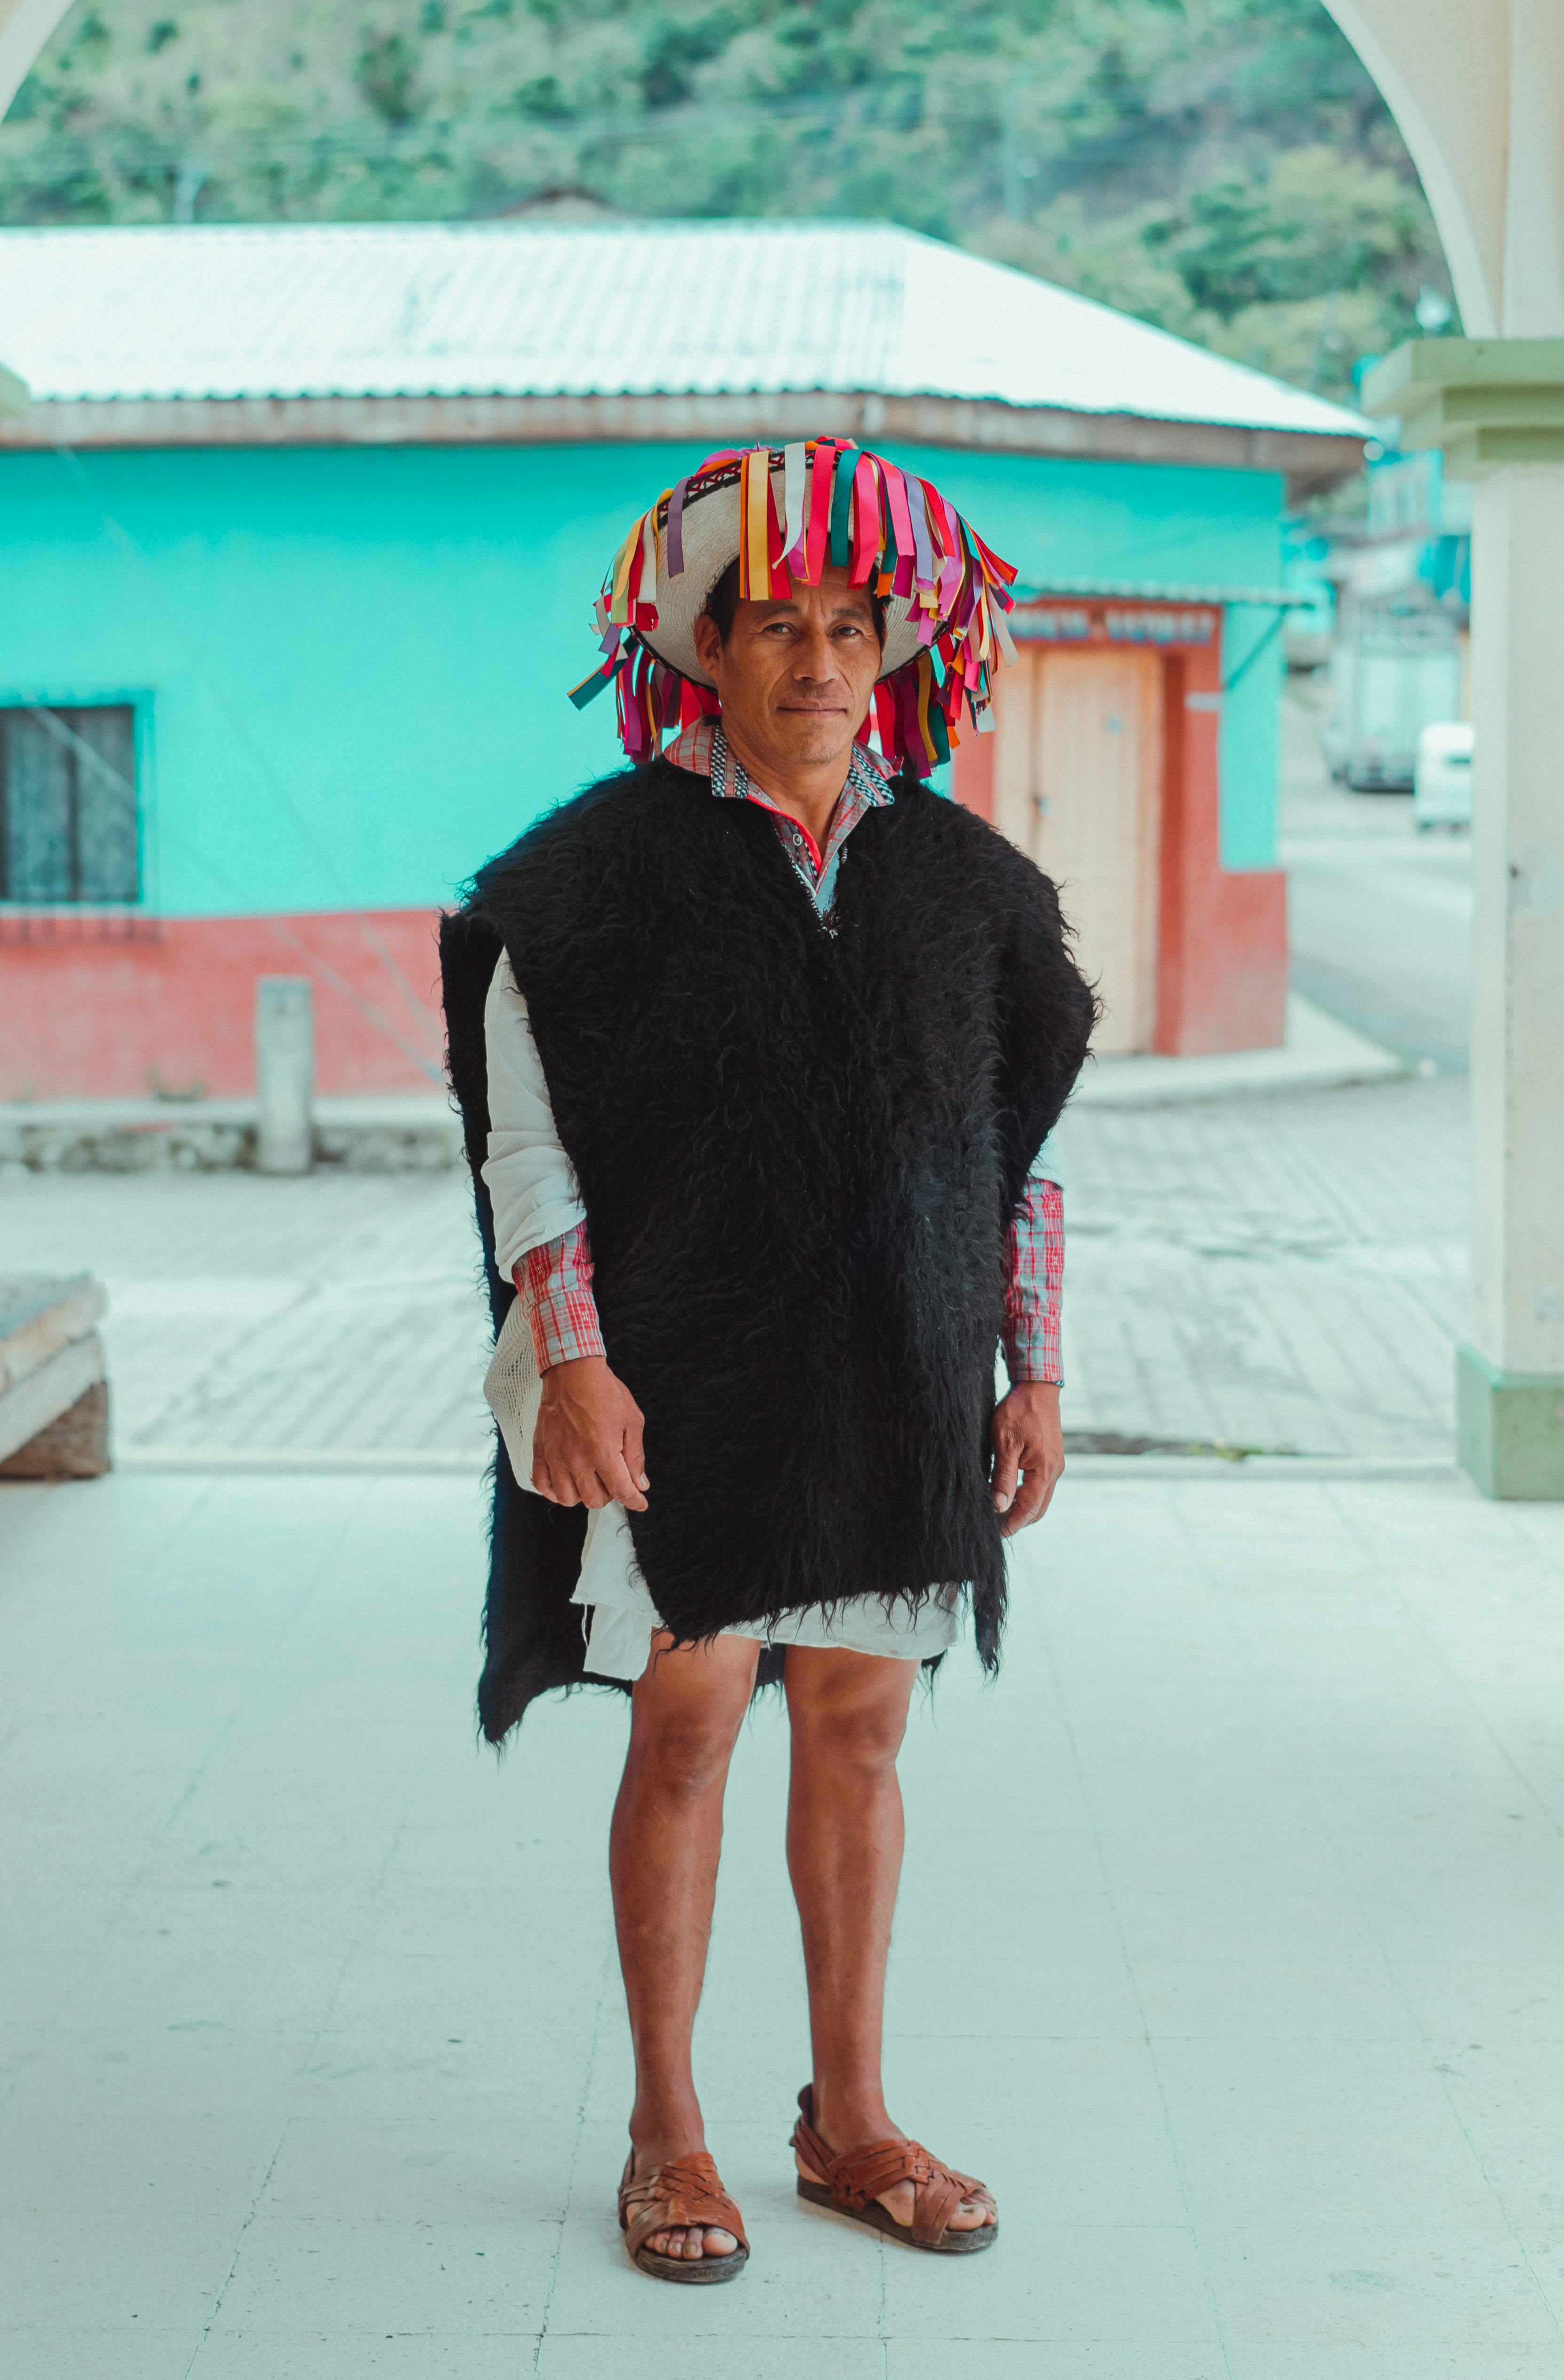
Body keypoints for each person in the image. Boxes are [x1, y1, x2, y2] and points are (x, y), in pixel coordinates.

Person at [442, 440, 1093, 2284]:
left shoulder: (965, 885)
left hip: (890, 1374)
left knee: (865, 1724)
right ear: (701, 647)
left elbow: (1014, 1151)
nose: (815, 661)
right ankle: (668, 2129)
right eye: (774, 627)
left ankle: (848, 2118)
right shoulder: (585, 882)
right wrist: (571, 1359)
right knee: (693, 1714)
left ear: (889, 649)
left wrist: (1026, 1370)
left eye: (843, 626)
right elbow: (528, 1146)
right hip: (680, 1376)